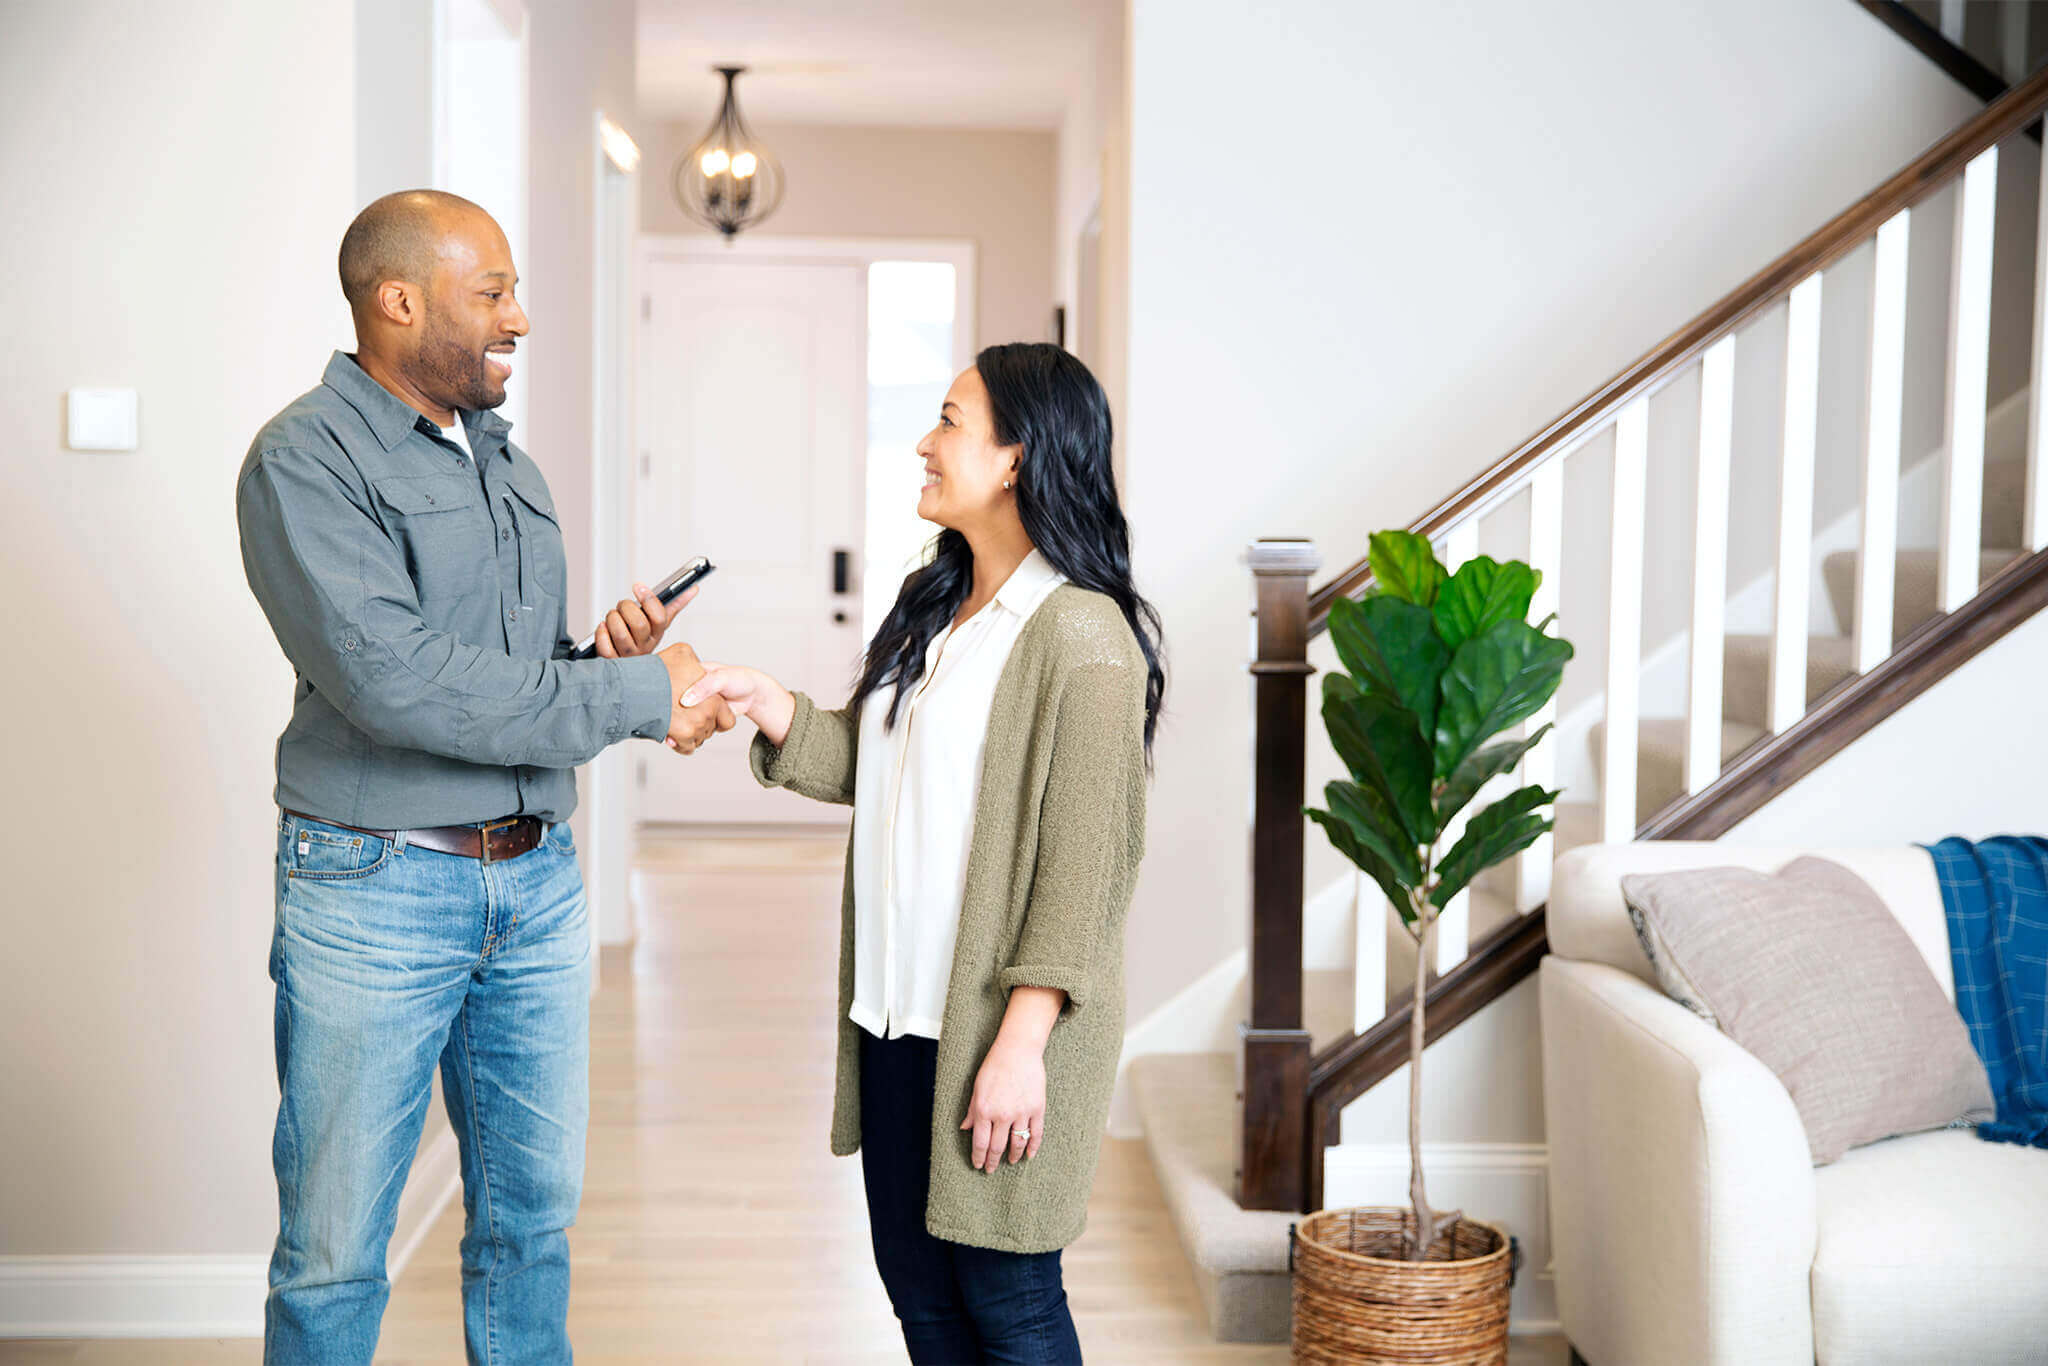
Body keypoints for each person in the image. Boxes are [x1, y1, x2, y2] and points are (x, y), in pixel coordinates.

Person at [234, 188, 732, 1364]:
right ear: (397, 301)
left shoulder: (504, 463)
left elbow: (493, 683)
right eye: (493, 289)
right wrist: (638, 699)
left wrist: (597, 662)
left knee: (530, 1226)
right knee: (334, 1250)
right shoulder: (302, 460)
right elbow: (397, 684)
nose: (522, 315)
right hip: (375, 890)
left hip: (537, 884)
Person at [683, 342, 1165, 1364]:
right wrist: (769, 702)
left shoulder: (1081, 638)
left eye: (949, 420)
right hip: (893, 1021)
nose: (923, 442)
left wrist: (1020, 1049)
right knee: (921, 1298)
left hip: (996, 1039)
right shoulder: (940, 609)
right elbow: (881, 766)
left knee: (1010, 1300)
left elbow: (1084, 874)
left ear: (1015, 459)